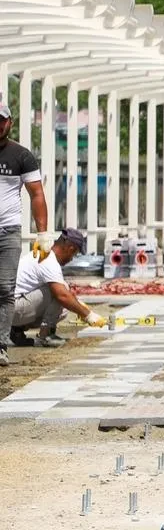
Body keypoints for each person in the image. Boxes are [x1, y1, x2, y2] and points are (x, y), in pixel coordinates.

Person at [0, 102, 53, 367]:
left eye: (1, 120)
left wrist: (42, 233)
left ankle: (0, 345)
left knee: (5, 287)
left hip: (8, 230)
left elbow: (37, 194)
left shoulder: (21, 156)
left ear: (9, 122)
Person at [10, 228, 103, 348]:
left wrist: (79, 305)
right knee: (61, 290)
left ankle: (17, 330)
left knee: (63, 310)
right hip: (12, 309)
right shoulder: (49, 261)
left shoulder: (44, 254)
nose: (72, 259)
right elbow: (62, 295)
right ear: (71, 249)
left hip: (10, 309)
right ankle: (46, 335)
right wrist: (88, 315)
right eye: (74, 254)